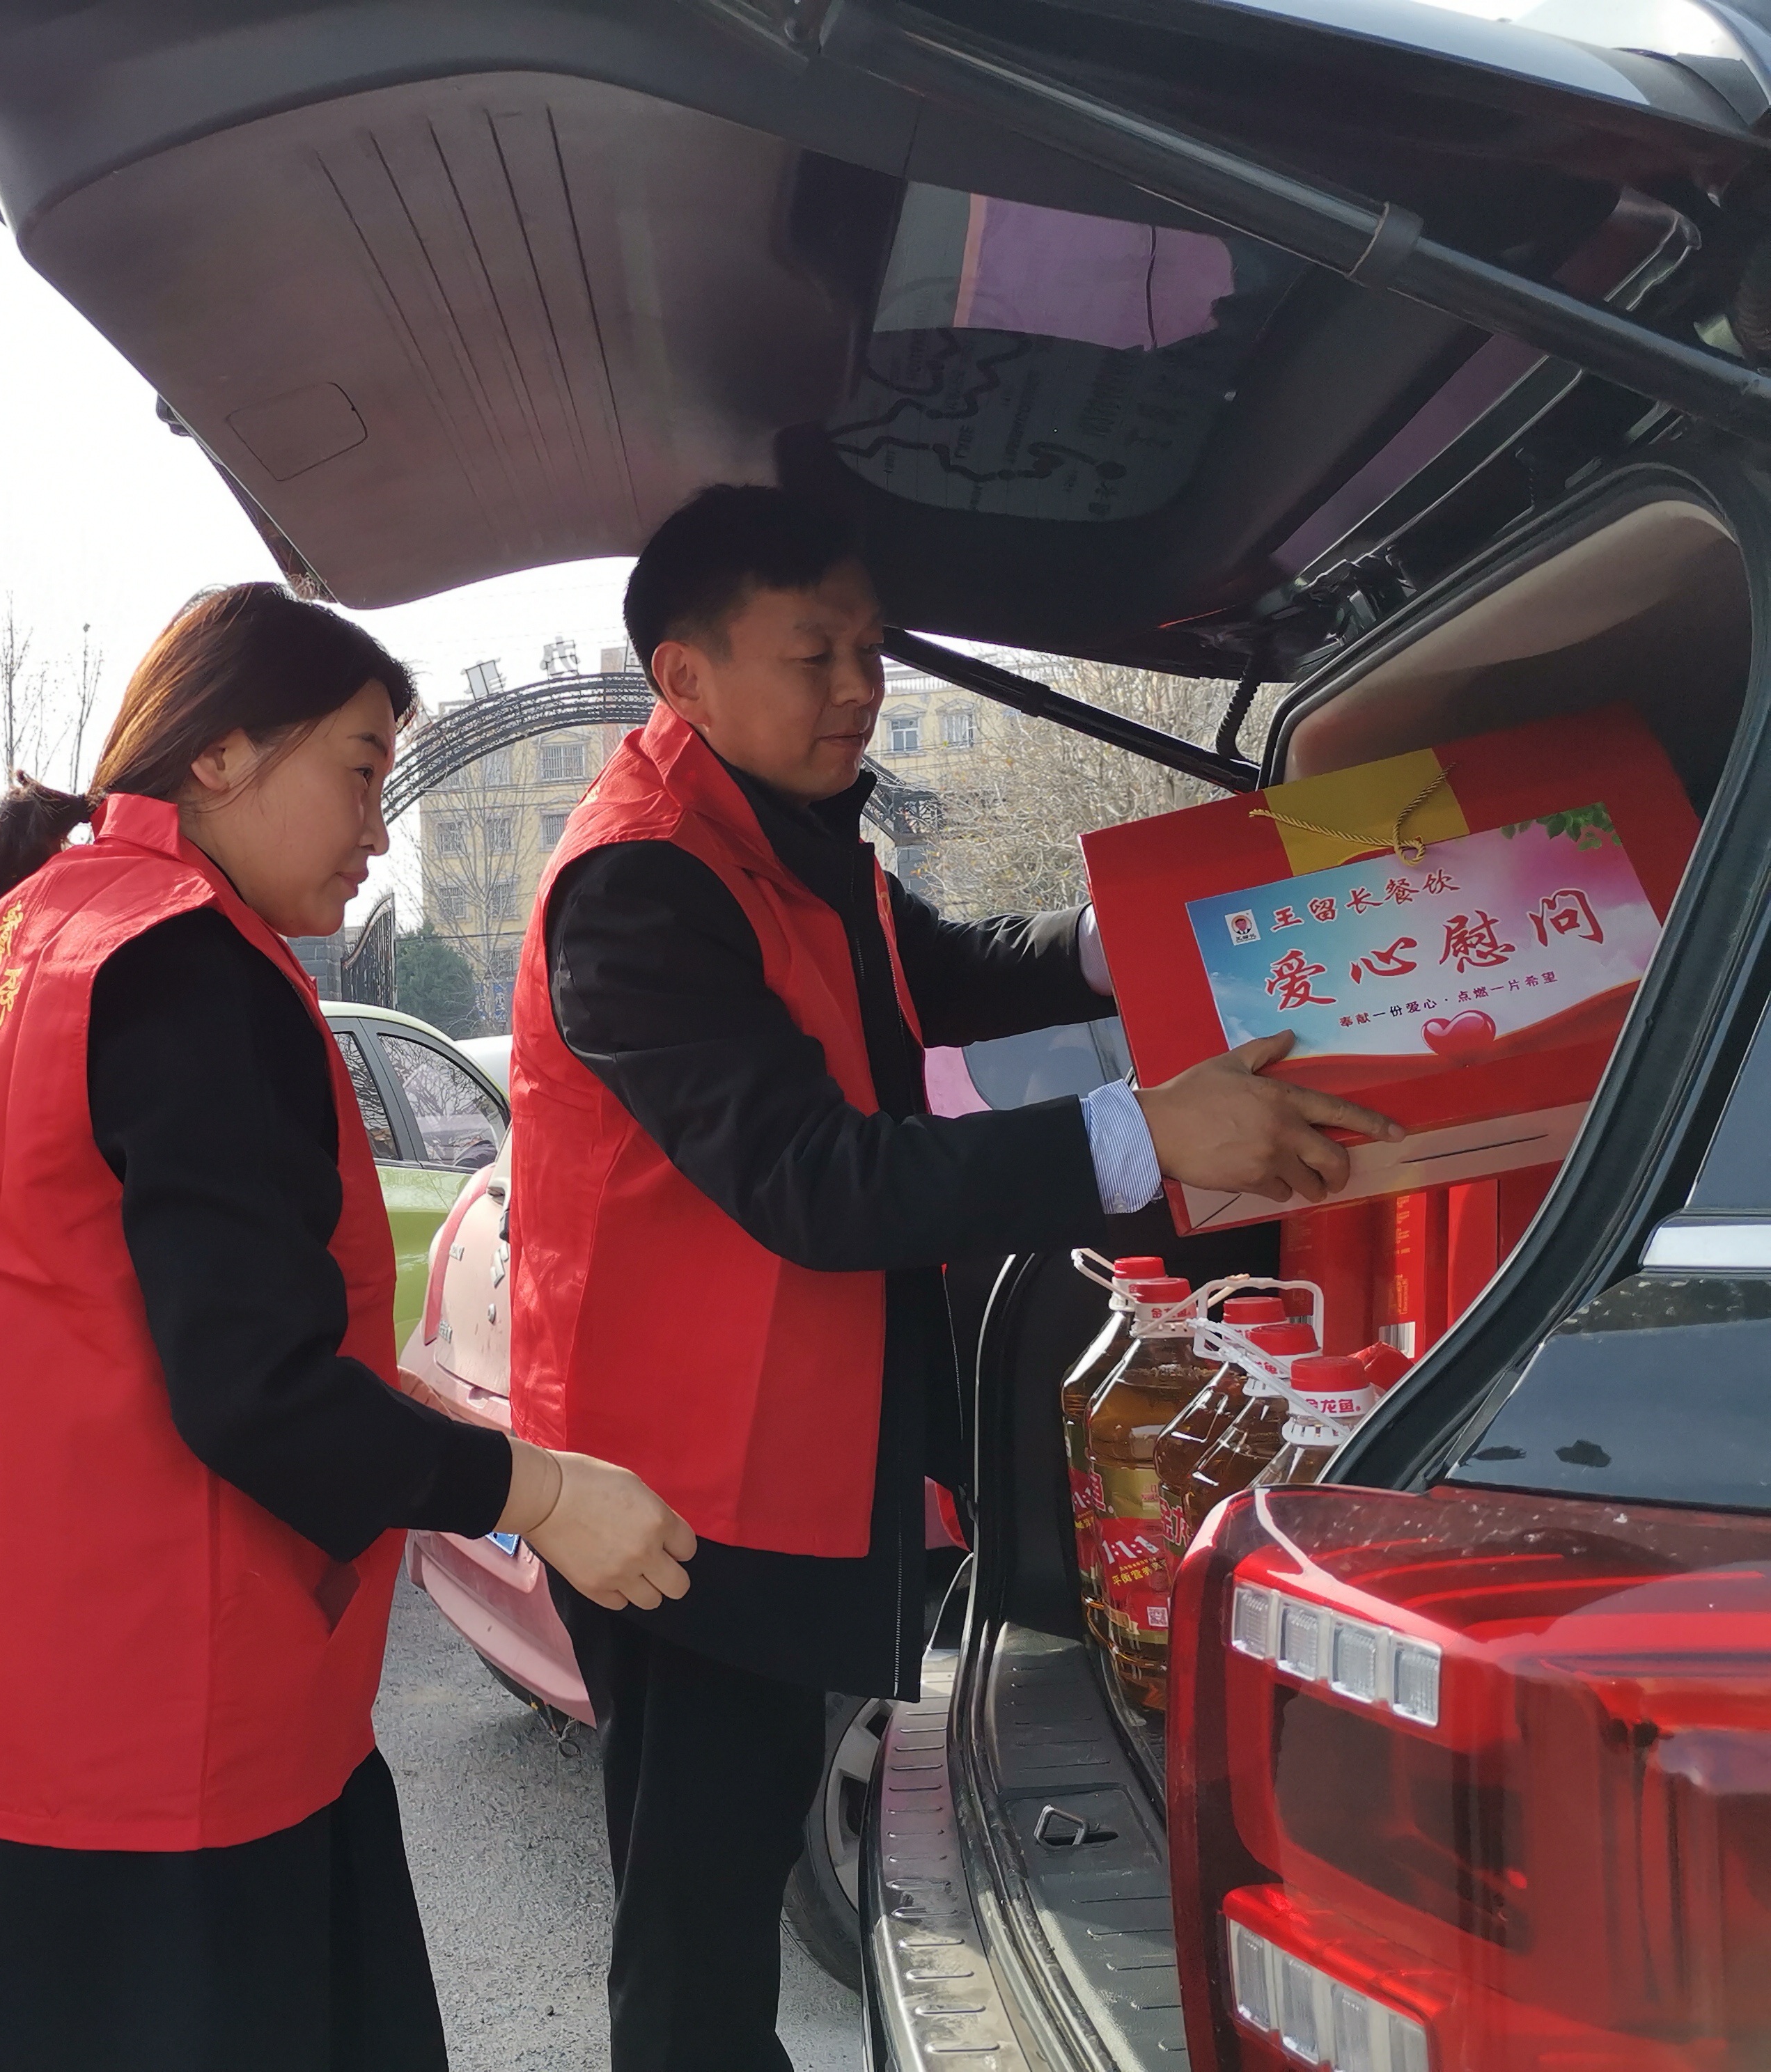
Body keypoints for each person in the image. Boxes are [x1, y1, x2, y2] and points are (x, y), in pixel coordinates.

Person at [510, 486, 1405, 2070]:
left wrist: (1139, 935)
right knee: (697, 1929)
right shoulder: (639, 886)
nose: (858, 687)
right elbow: (815, 1180)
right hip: (674, 1496)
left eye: (870, 649)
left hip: (787, 1441)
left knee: (729, 1876)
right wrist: (1141, 1131)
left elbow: (935, 969)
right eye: (813, 654)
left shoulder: (784, 833)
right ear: (682, 675)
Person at [0, 583, 694, 2072]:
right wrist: (541, 1493)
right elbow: (256, 1392)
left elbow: (114, 1314)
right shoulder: (192, 968)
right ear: (220, 753)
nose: (378, 830)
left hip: (11, 1701)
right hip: (173, 1732)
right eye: (358, 770)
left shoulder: (46, 927)